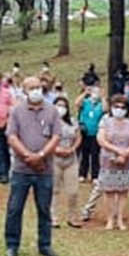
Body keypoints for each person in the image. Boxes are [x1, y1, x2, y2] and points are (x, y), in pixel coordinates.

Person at [5, 76, 61, 256]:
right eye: (32, 88)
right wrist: (28, 156)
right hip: (21, 168)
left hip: (45, 168)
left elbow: (56, 137)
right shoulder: (16, 111)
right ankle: (12, 244)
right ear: (24, 90)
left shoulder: (52, 110)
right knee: (15, 208)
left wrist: (41, 155)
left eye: (38, 87)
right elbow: (12, 136)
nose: (36, 90)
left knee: (44, 208)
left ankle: (45, 245)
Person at [96, 94, 129, 231]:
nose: (119, 109)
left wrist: (126, 153)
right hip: (109, 160)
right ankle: (110, 219)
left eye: (122, 107)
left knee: (122, 192)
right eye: (116, 106)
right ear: (111, 107)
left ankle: (120, 219)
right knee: (109, 191)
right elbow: (101, 140)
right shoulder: (105, 121)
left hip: (127, 161)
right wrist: (117, 151)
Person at [52, 95, 83, 228]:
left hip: (71, 159)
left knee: (73, 190)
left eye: (63, 106)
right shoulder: (49, 121)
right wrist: (55, 148)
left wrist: (72, 148)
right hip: (54, 158)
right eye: (58, 105)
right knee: (54, 189)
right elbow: (45, 138)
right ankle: (52, 217)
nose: (61, 108)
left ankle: (72, 217)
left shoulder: (72, 121)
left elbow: (78, 137)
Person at [75, 84, 104, 183]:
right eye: (94, 92)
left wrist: (102, 96)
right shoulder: (86, 102)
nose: (95, 94)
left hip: (96, 133)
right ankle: (82, 174)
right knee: (84, 154)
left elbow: (105, 109)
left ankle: (95, 175)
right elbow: (77, 103)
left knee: (95, 155)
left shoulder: (100, 104)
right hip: (85, 132)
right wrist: (85, 93)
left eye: (97, 92)